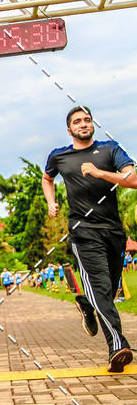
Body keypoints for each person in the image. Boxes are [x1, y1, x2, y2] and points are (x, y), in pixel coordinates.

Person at [42, 105, 137, 373]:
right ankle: (117, 347)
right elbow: (46, 179)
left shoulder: (110, 149)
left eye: (87, 120)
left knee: (108, 291)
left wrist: (100, 173)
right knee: (101, 290)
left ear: (92, 124)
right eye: (77, 121)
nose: (83, 124)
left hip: (114, 233)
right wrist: (52, 202)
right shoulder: (59, 156)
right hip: (83, 233)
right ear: (69, 128)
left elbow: (132, 179)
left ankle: (86, 303)